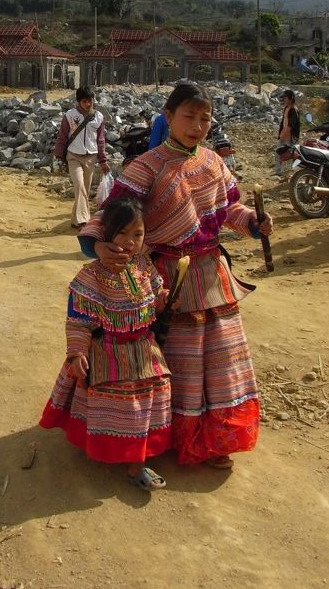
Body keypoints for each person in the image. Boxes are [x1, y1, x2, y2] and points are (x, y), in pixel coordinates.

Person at [78, 81, 273, 470]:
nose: (198, 126)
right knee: (170, 360)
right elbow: (110, 215)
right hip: (164, 279)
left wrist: (253, 221)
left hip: (212, 276)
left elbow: (228, 211)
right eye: (189, 116)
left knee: (220, 359)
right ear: (168, 117)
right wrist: (98, 245)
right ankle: (156, 435)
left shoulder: (213, 162)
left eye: (205, 119)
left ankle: (214, 439)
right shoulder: (146, 166)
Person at [39, 196, 172, 491]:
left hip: (146, 350)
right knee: (124, 405)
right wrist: (76, 354)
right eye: (122, 234)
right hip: (108, 352)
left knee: (149, 402)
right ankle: (130, 460)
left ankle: (138, 456)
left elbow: (157, 293)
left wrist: (162, 300)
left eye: (137, 235)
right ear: (107, 235)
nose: (129, 242)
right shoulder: (90, 277)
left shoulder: (144, 266)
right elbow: (78, 320)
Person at [54, 86, 110, 229]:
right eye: (84, 101)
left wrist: (103, 160)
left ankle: (75, 220)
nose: (88, 104)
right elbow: (62, 137)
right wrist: (59, 158)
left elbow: (101, 140)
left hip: (91, 158)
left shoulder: (98, 117)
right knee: (79, 187)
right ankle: (84, 220)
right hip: (73, 156)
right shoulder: (70, 115)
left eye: (90, 101)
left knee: (84, 189)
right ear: (78, 101)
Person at [274, 89, 300, 177]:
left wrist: (282, 135)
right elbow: (283, 123)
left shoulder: (293, 110)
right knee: (278, 153)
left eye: (285, 98)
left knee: (289, 156)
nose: (283, 100)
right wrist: (281, 134)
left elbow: (290, 126)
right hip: (284, 136)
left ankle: (289, 174)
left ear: (291, 98)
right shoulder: (286, 108)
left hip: (289, 138)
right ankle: (279, 172)